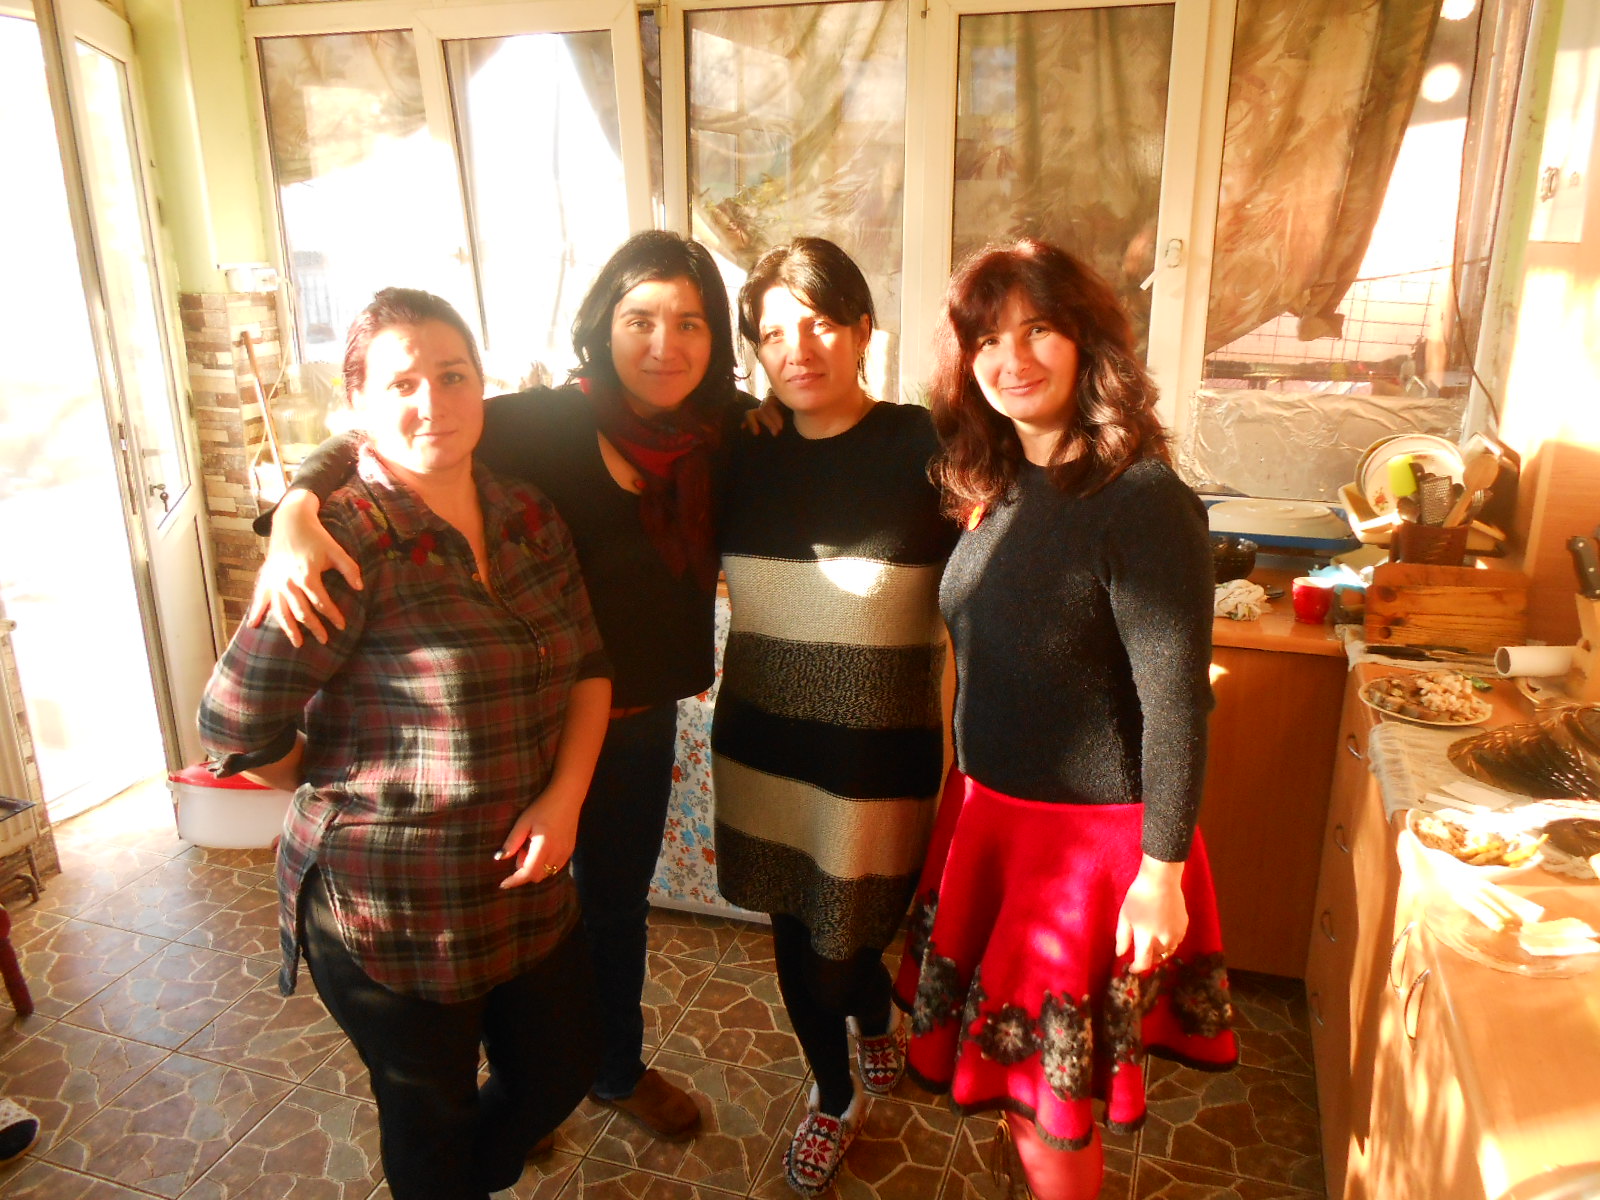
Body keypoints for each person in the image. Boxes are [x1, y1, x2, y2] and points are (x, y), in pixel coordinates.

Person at [247, 232, 749, 1140]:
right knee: (501, 912)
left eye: (690, 322)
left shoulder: (720, 431)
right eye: (640, 318)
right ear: (604, 324)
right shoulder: (543, 420)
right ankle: (519, 1078)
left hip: (635, 723)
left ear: (714, 337)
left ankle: (610, 1068)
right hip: (519, 722)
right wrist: (294, 508)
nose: (664, 343)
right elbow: (399, 424)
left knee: (614, 910)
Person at [199, 287, 612, 1200]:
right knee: (429, 1119)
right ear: (357, 405)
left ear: (481, 384)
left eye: (453, 376)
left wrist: (565, 798)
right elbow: (231, 720)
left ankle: (473, 1174)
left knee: (561, 1067)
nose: (434, 402)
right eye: (403, 383)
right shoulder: (340, 545)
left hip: (521, 877)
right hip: (392, 904)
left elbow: (589, 661)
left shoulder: (526, 513)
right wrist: (324, 783)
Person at [893, 239, 1238, 1200]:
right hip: (992, 820)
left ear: (1088, 341)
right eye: (987, 339)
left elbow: (1177, 703)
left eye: (1037, 329)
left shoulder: (1142, 500)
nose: (1012, 359)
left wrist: (1161, 875)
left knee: (1049, 1099)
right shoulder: (1001, 483)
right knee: (1020, 1084)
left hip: (1084, 852)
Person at [712, 238, 959, 1195]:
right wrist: (304, 503)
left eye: (818, 323)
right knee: (795, 928)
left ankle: (878, 1012)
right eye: (773, 334)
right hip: (764, 744)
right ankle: (833, 1094)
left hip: (874, 756)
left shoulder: (927, 445)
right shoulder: (741, 449)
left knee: (842, 944)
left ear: (862, 329)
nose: (797, 349)